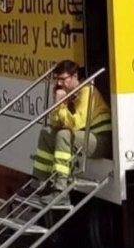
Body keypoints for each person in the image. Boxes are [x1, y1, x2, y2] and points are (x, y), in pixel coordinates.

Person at [31, 60, 112, 199]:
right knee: (46, 132)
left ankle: (61, 189)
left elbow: (76, 124)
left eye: (63, 79)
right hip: (85, 137)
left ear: (75, 76)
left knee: (63, 135)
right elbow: (55, 123)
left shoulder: (87, 90)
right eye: (57, 79)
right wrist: (57, 104)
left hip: (101, 140)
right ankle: (41, 183)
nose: (59, 84)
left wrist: (62, 106)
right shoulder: (70, 93)